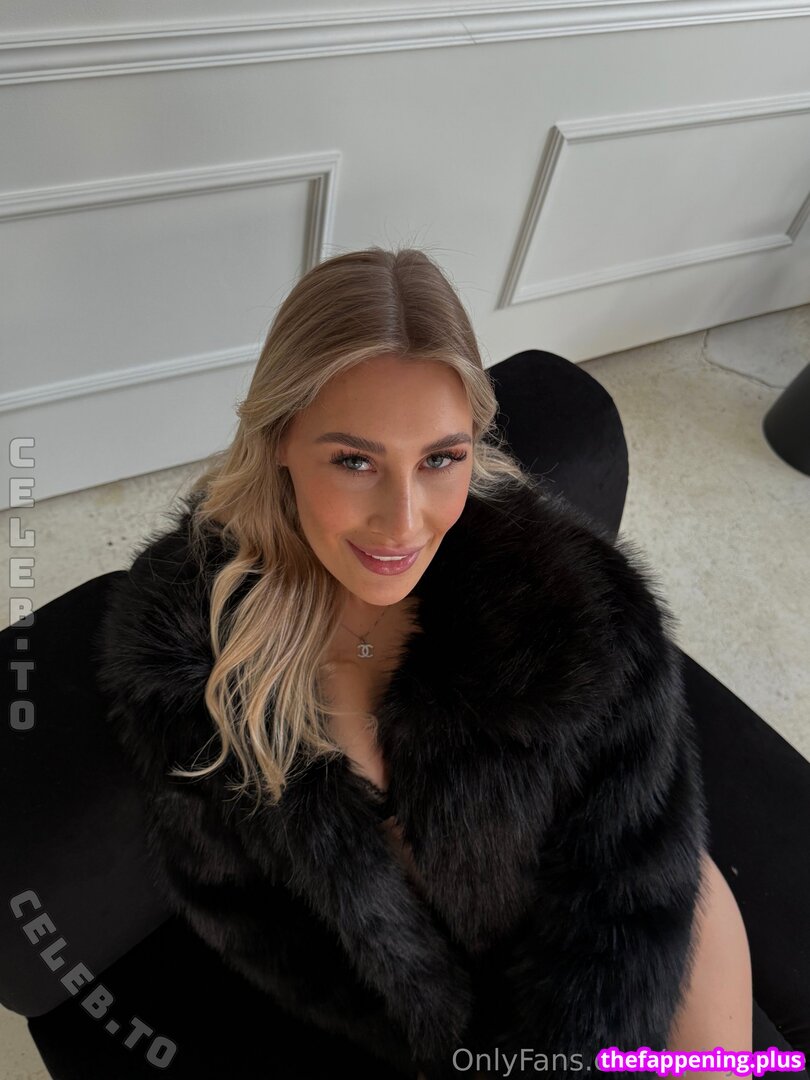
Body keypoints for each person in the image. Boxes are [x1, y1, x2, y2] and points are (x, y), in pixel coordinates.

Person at [97, 246, 751, 1080]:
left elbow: (634, 882)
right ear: (280, 441)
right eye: (355, 461)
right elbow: (248, 919)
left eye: (440, 459)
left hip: (655, 955)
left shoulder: (584, 613)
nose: (404, 522)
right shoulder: (189, 662)